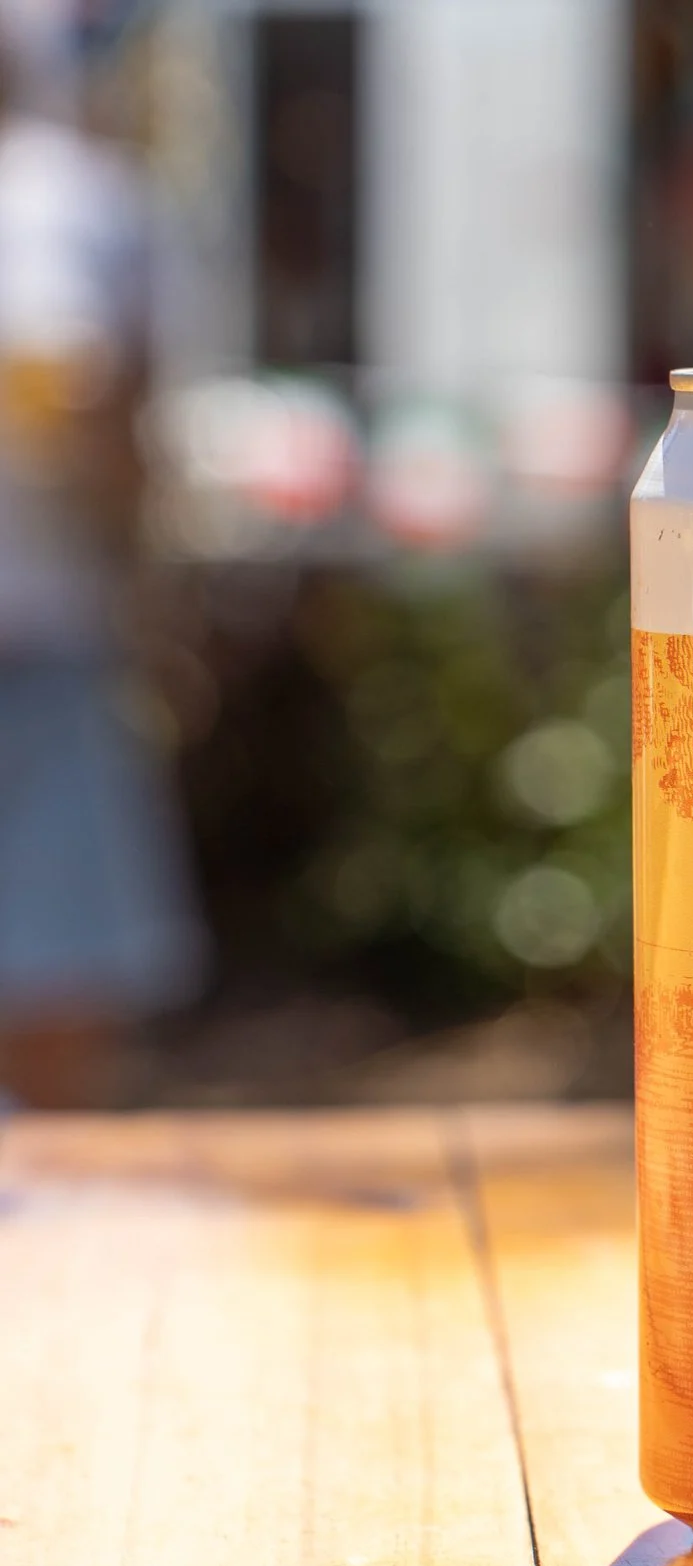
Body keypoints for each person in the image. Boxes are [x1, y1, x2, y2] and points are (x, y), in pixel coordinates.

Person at [0, 52, 201, 1107]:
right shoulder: (55, 192)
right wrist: (130, 553)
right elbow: (61, 371)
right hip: (37, 639)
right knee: (57, 992)